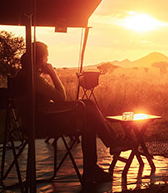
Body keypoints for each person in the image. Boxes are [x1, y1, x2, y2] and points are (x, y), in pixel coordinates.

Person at [13, 41, 129, 185]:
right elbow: (61, 98)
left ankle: (95, 166)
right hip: (43, 123)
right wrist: (53, 73)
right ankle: (109, 147)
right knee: (88, 107)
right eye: (46, 57)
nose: (48, 61)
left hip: (34, 120)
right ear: (41, 59)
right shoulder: (34, 78)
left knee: (88, 117)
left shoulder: (21, 75)